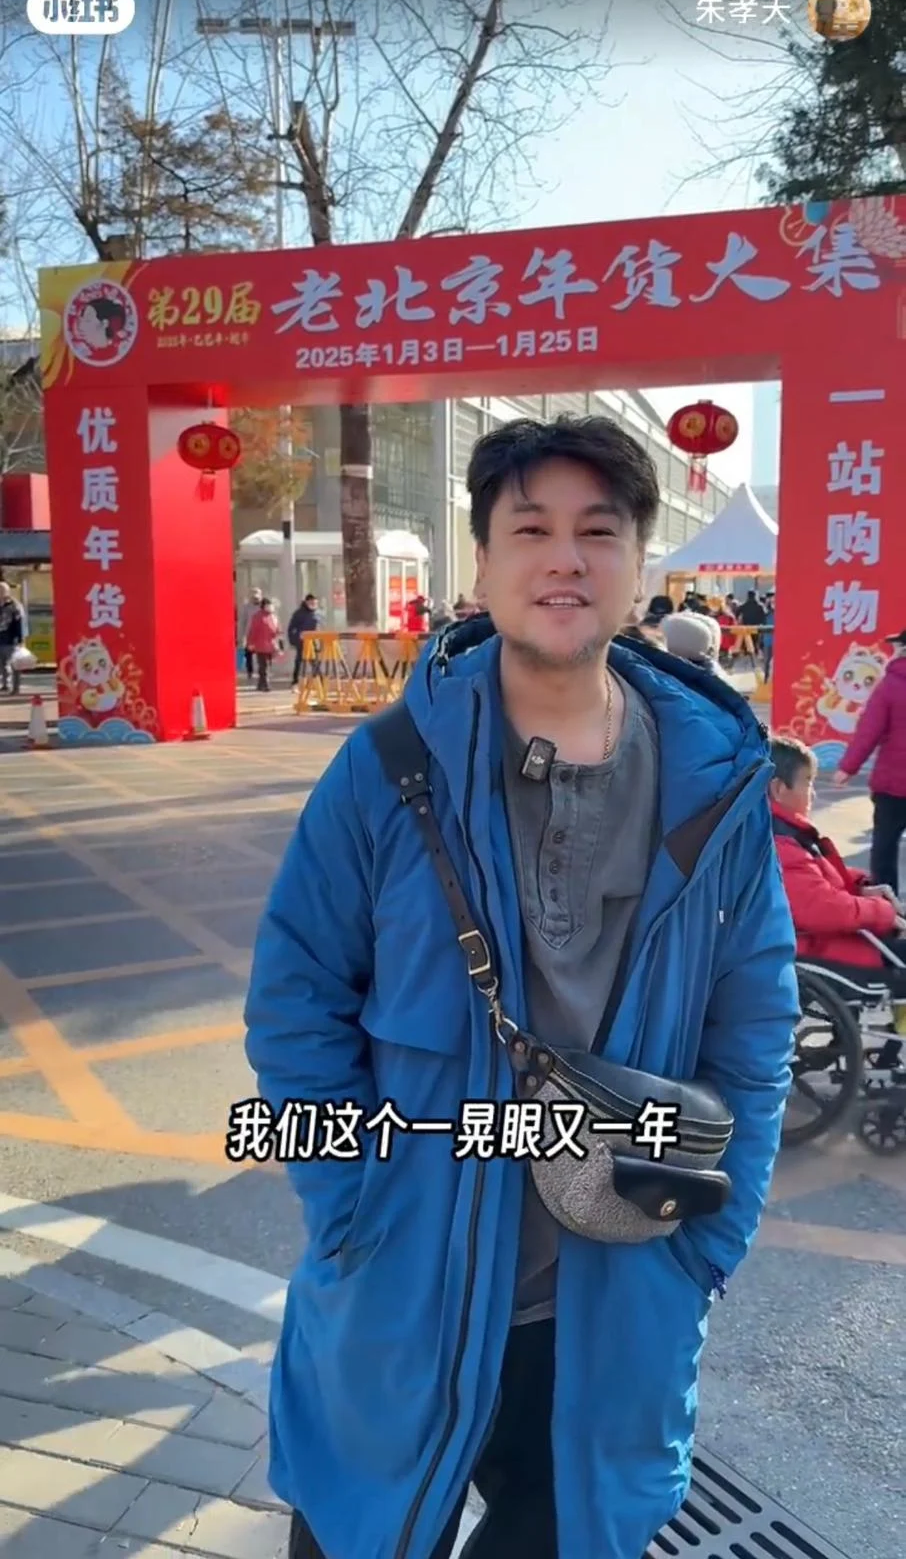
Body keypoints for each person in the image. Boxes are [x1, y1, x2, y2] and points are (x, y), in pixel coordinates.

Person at [243, 412, 799, 1559]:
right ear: (485, 561)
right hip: (404, 1282)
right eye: (531, 529)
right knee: (358, 1533)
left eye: (598, 531)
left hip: (616, 1294)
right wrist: (351, 1213)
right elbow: (297, 1000)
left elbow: (757, 1020)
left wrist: (709, 1241)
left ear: (638, 563)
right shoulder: (389, 766)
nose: (565, 559)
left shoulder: (714, 781)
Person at [770, 735, 906, 1044]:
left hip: (824, 940)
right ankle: (896, 1040)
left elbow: (821, 883)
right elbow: (822, 908)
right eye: (807, 782)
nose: (813, 793)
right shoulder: (781, 843)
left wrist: (860, 887)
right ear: (779, 789)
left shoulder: (785, 834)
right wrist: (882, 912)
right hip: (820, 948)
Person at [833, 628, 906, 895]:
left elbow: (869, 731)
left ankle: (888, 905)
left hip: (894, 784)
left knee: (885, 846)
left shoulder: (891, 685)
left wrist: (847, 767)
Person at [245, 597, 283, 692]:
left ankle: (260, 684)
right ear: (264, 606)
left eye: (271, 605)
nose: (271, 607)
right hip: (261, 644)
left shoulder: (273, 616)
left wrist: (279, 643)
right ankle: (266, 684)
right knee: (264, 665)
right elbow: (253, 630)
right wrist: (250, 643)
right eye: (268, 605)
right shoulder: (258, 617)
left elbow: (278, 629)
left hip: (271, 644)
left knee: (268, 665)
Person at [287, 593, 321, 689]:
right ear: (306, 602)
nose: (313, 604)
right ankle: (295, 682)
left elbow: (320, 627)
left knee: (315, 663)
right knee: (299, 662)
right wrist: (294, 640)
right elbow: (291, 628)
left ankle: (320, 683)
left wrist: (320, 641)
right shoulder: (299, 613)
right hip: (302, 642)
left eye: (315, 603)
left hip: (314, 641)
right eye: (311, 602)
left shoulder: (317, 613)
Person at [0, 582, 25, 695]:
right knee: (2, 665)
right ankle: (5, 685)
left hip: (11, 640)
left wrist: (20, 639)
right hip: (1, 639)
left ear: (7, 592)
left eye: (2, 590)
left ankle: (16, 688)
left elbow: (19, 622)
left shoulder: (14, 605)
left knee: (15, 665)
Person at [238, 587, 262, 682]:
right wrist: (241, 636)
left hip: (261, 634)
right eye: (254, 597)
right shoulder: (246, 607)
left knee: (262, 654)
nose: (255, 599)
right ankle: (250, 672)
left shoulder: (263, 606)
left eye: (257, 597)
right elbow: (242, 622)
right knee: (249, 654)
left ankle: (262, 671)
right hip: (250, 634)